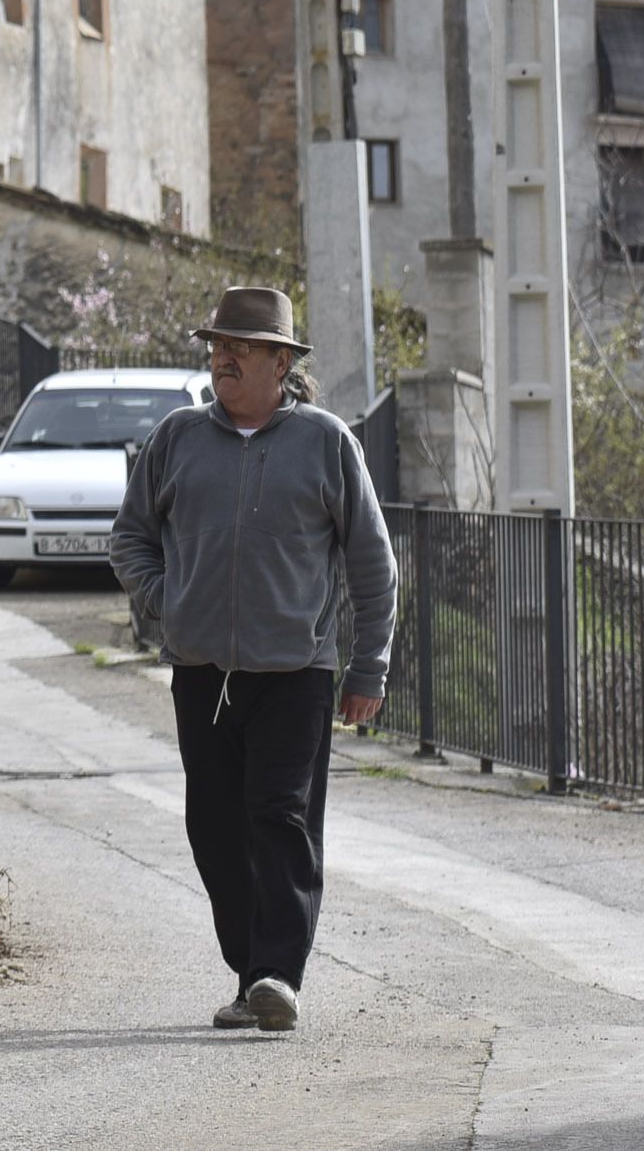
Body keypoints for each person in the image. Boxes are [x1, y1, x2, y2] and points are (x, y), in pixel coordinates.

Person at [108, 284, 397, 1036]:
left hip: (296, 674)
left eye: (240, 348)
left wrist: (369, 669)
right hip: (201, 670)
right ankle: (249, 973)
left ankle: (278, 974)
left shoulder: (327, 442)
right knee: (213, 826)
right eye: (217, 346)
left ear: (281, 362)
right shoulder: (178, 438)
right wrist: (164, 603)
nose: (222, 358)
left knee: (280, 816)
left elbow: (372, 565)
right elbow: (130, 536)